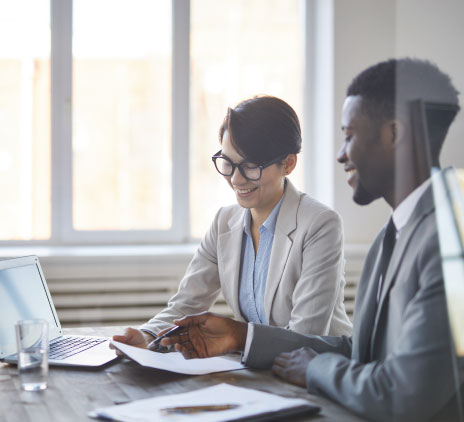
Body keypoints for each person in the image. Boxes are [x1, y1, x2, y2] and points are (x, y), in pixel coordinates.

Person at [161, 59, 463, 421]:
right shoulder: (393, 234)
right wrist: (239, 336)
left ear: (394, 134)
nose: (340, 154)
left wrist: (316, 368)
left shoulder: (449, 242)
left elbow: (404, 393)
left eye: (350, 135)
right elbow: (361, 350)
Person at [113, 95, 352, 350]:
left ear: (288, 164)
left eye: (250, 166)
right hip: (256, 372)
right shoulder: (224, 222)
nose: (236, 180)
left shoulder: (320, 225)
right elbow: (187, 303)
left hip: (315, 373)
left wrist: (238, 337)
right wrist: (148, 335)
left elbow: (305, 336)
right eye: (228, 162)